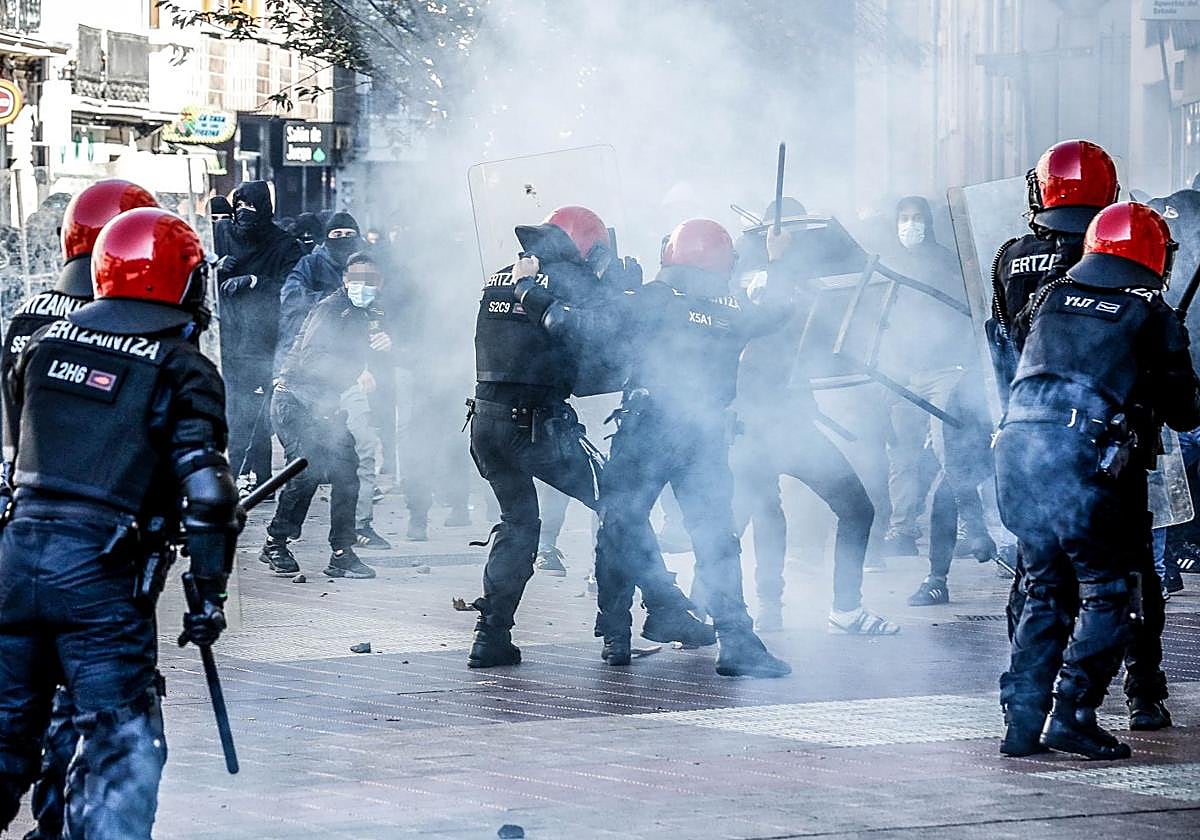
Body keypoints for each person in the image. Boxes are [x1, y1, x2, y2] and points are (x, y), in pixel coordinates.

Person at [0, 207, 239, 837]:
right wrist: (209, 596)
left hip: (15, 559)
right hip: (99, 582)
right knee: (119, 753)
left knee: (4, 742)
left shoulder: (43, 344)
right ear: (183, 283)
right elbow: (210, 494)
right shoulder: (182, 366)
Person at [517, 218, 793, 675]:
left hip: (647, 427)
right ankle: (737, 641)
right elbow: (781, 310)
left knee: (621, 523)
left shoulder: (649, 301)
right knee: (715, 536)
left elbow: (576, 327)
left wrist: (531, 292)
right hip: (704, 434)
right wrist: (778, 261)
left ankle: (616, 635)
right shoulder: (729, 313)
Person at [466, 206, 714, 669]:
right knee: (620, 505)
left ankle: (490, 636)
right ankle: (665, 609)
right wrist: (624, 292)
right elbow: (597, 341)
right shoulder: (566, 283)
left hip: (486, 424)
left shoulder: (504, 277)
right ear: (587, 246)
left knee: (518, 525)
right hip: (537, 426)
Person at [995, 202, 1200, 760]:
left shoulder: (1048, 297)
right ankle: (1075, 714)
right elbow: (1185, 410)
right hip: (1080, 460)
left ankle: (1022, 721)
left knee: (1044, 587)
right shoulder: (1150, 313)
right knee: (1109, 592)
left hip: (1015, 453)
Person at [0, 179, 159, 840]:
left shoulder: (26, 317)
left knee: (18, 707)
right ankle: (61, 822)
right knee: (101, 714)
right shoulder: (110, 323)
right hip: (95, 544)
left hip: (20, 524)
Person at [732, 200, 896, 634]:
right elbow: (768, 321)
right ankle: (755, 609)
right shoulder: (760, 285)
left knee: (768, 512)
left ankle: (765, 609)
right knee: (759, 513)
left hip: (780, 422)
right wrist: (779, 264)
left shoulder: (774, 282)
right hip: (761, 422)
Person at [883, 196, 992, 606]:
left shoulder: (946, 262)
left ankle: (973, 523)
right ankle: (902, 529)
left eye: (917, 218)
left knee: (950, 453)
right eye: (904, 217)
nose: (911, 225)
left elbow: (968, 312)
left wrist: (964, 365)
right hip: (905, 373)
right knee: (901, 456)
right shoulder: (888, 263)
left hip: (946, 371)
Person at [259, 253, 389, 579]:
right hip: (296, 402)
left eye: (371, 280)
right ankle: (275, 542)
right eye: (357, 278)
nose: (364, 286)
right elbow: (312, 357)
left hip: (327, 408)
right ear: (345, 279)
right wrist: (351, 373)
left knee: (347, 472)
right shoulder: (331, 308)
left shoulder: (366, 314)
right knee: (306, 470)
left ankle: (342, 553)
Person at [215, 180, 304, 491]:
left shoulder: (284, 245)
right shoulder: (222, 236)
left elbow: (292, 287)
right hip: (226, 336)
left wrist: (255, 281)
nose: (243, 213)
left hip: (263, 339)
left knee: (257, 411)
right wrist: (216, 267)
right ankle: (237, 474)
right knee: (235, 410)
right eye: (239, 206)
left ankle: (260, 476)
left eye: (251, 206)